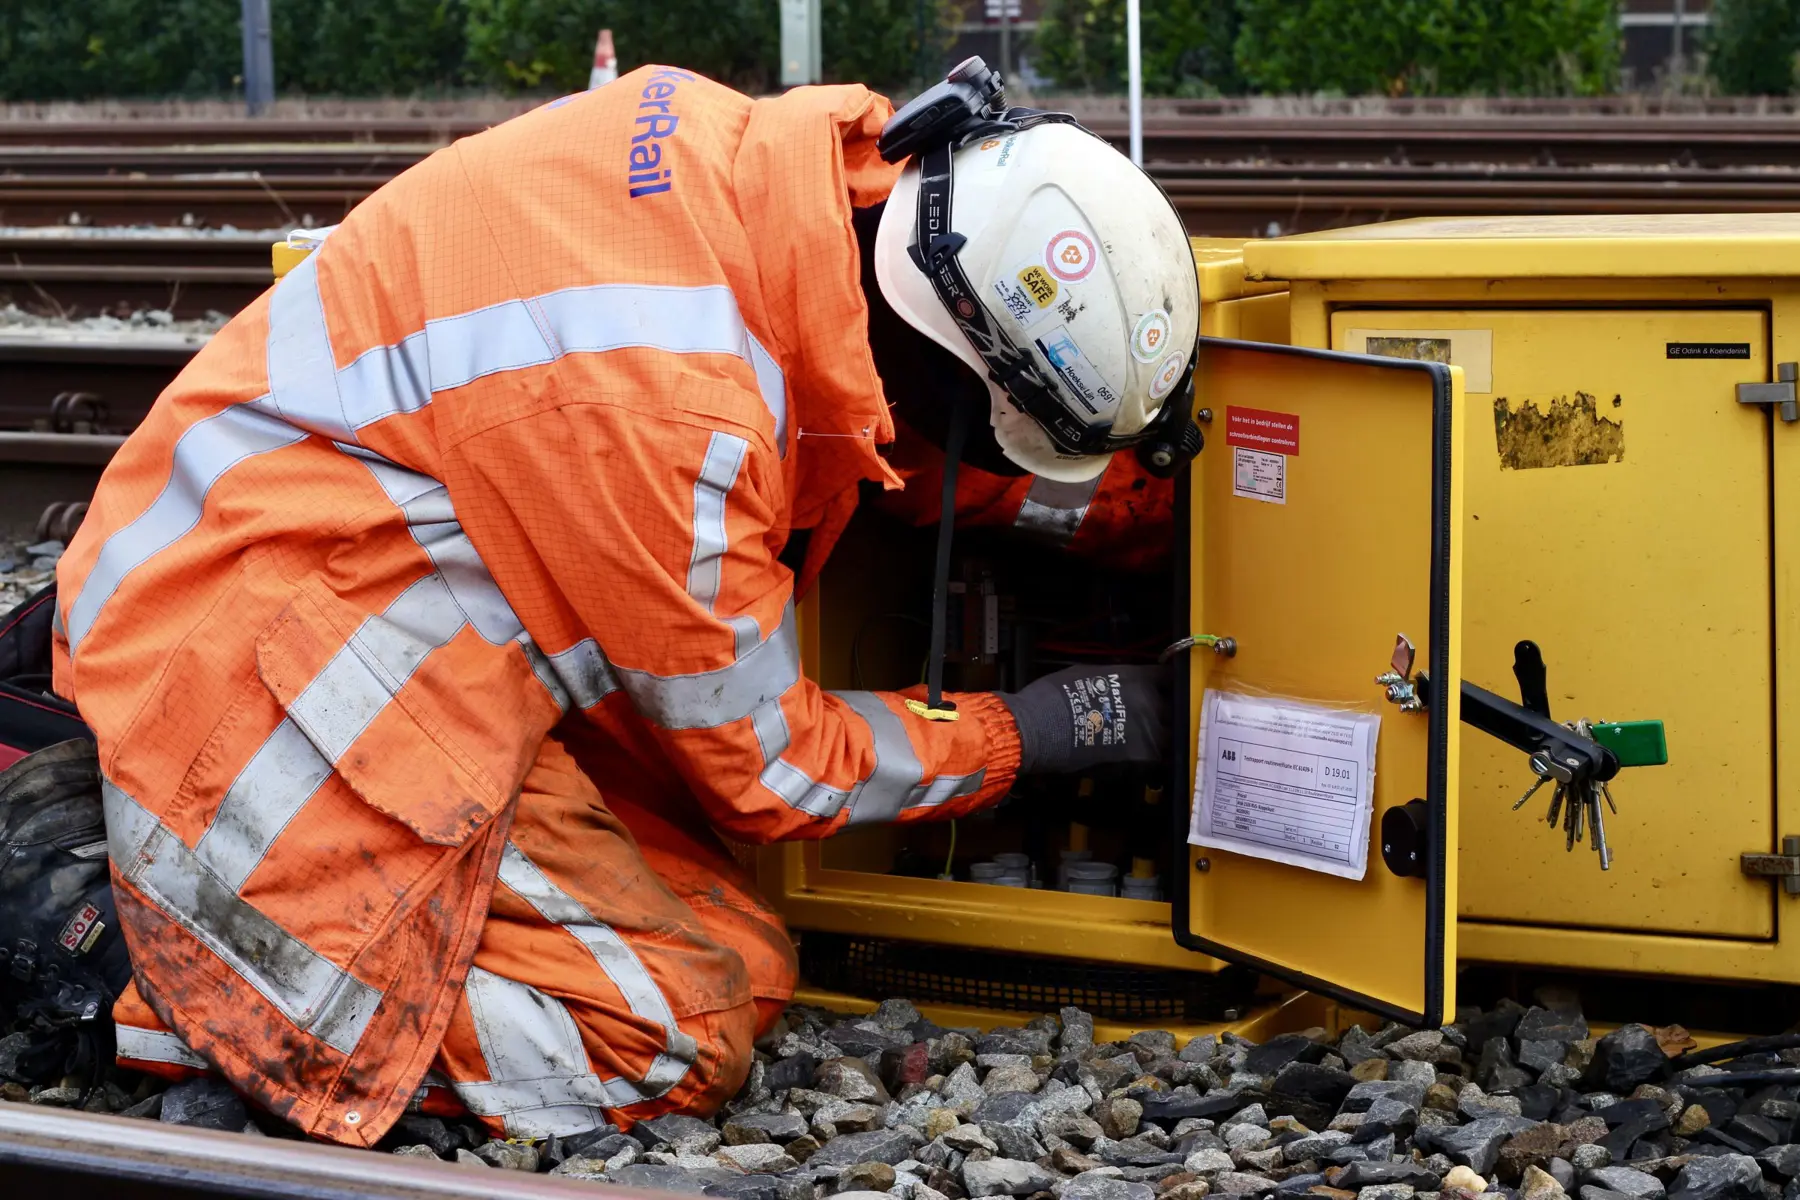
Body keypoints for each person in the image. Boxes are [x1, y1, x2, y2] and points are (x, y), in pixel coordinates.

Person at [12, 58, 1200, 1146]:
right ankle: (166, 965)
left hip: (329, 574)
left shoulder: (781, 174)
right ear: (944, 362)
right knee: (671, 1032)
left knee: (745, 950)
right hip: (267, 655)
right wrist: (1040, 731)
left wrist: (1130, 522)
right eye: (1004, 441)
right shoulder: (682, 427)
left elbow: (868, 425)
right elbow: (772, 768)